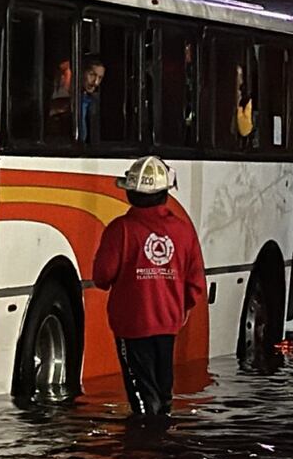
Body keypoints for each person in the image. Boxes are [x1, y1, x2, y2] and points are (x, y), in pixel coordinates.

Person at [92, 156, 206, 417]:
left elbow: (102, 277)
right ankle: (163, 451)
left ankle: (146, 452)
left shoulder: (120, 230)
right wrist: (177, 308)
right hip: (168, 324)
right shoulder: (183, 231)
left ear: (131, 193)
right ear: (165, 193)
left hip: (131, 328)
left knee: (143, 402)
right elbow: (196, 282)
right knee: (163, 396)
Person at [78, 58, 105, 143]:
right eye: (92, 75)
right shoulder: (69, 97)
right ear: (81, 73)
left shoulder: (94, 102)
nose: (96, 82)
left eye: (100, 78)